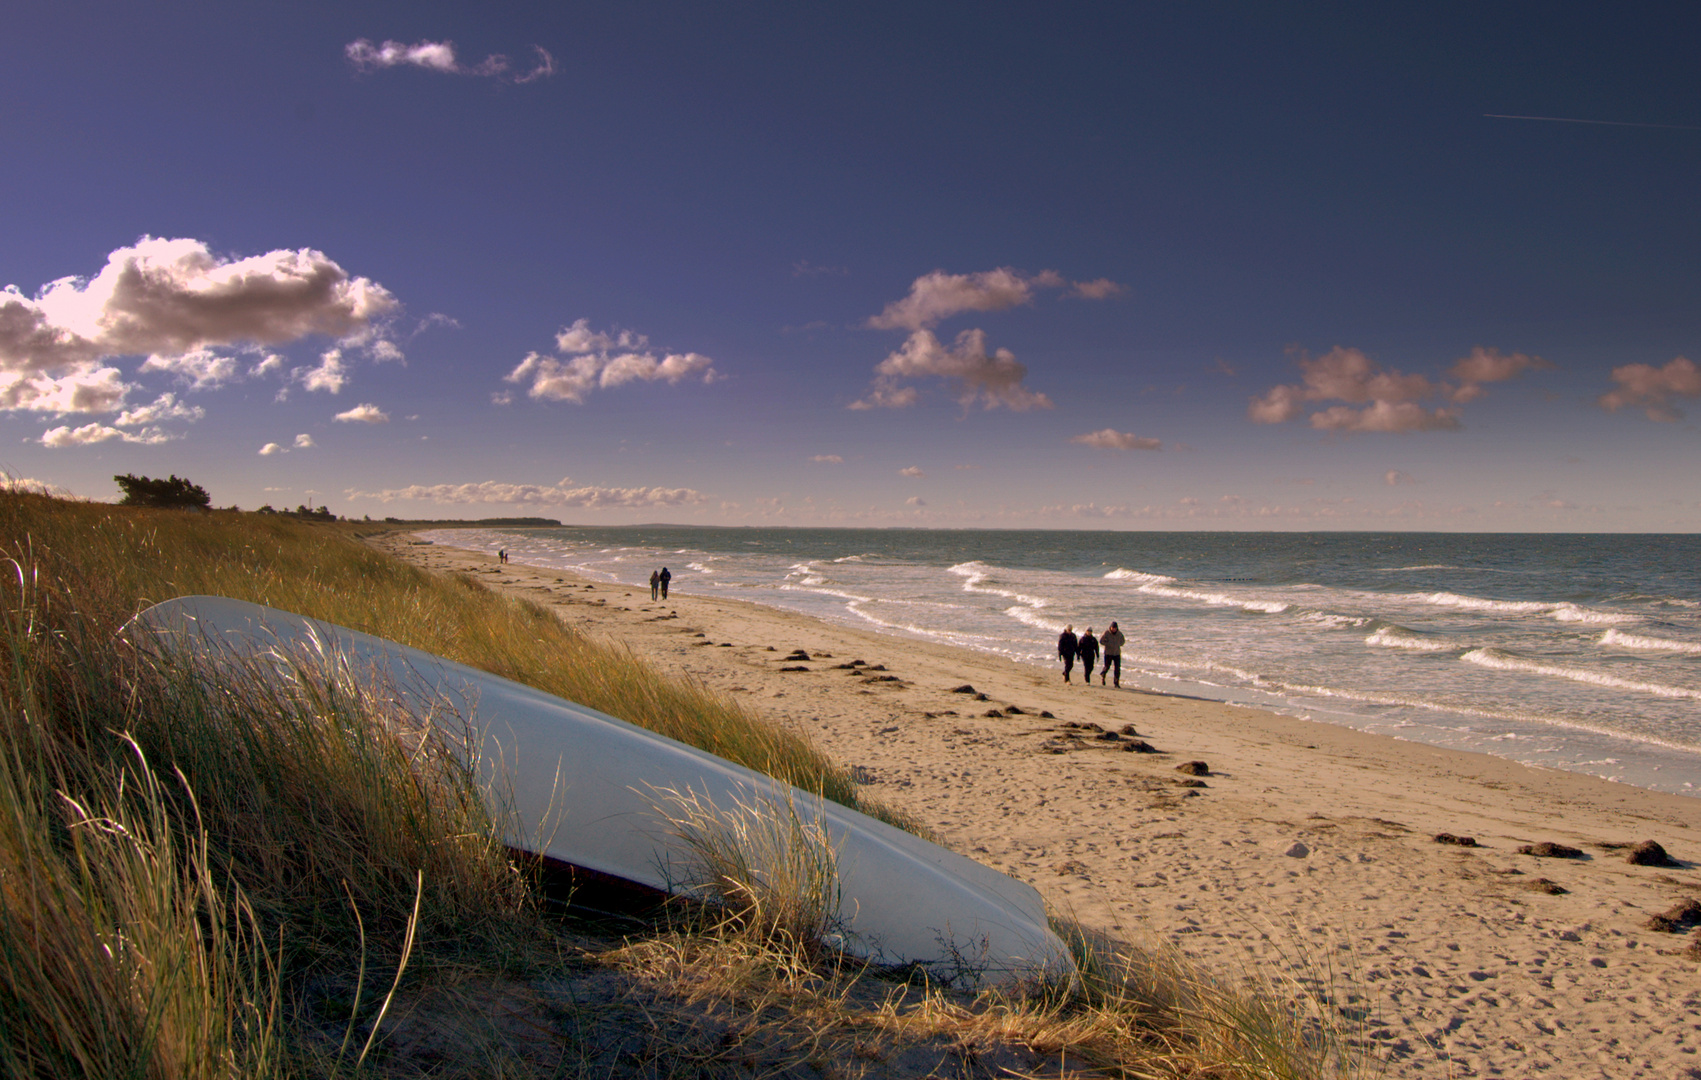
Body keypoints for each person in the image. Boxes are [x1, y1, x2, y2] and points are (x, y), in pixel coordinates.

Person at [1099, 620, 1125, 687]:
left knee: (1117, 669)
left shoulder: (1119, 633)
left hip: (1117, 653)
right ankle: (1103, 676)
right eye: (1112, 628)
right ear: (1110, 627)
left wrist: (1118, 644)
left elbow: (1123, 641)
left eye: (1115, 628)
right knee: (1107, 666)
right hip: (1108, 653)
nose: (1113, 629)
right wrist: (1107, 643)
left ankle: (1116, 683)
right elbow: (1101, 641)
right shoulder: (1106, 633)